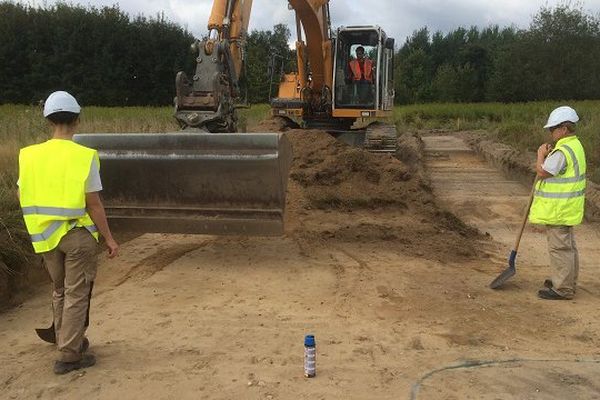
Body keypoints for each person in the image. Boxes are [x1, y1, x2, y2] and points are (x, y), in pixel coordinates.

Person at [18, 90, 119, 374]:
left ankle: (66, 339)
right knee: (77, 293)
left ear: (49, 119)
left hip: (45, 236)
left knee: (60, 290)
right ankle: (69, 355)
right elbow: (94, 204)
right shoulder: (84, 156)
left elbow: (21, 193)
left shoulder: (28, 156)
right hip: (77, 236)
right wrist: (109, 238)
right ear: (77, 120)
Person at [529, 106, 586, 300]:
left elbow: (543, 172)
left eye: (552, 129)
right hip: (568, 206)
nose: (550, 133)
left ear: (563, 129)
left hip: (559, 208)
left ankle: (563, 288)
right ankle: (567, 280)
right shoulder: (575, 145)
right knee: (568, 247)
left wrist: (540, 155)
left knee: (560, 248)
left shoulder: (563, 150)